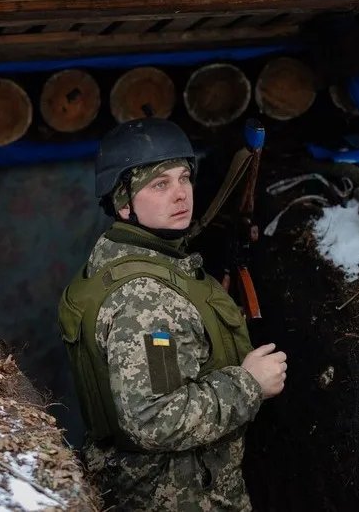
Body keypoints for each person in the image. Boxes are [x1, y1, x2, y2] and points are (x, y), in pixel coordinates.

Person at [58, 118, 287, 510]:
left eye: (184, 178)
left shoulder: (114, 255)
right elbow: (153, 418)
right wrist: (249, 383)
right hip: (177, 497)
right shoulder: (145, 303)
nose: (181, 195)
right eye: (160, 184)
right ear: (123, 201)